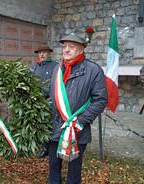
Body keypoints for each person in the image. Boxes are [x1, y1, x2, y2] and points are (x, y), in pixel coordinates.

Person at [48, 32, 107, 184]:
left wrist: (79, 122)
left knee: (74, 170)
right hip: (55, 127)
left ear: (81, 50)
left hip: (78, 130)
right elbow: (50, 95)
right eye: (64, 46)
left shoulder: (94, 71)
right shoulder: (57, 69)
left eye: (71, 47)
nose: (66, 50)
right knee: (54, 166)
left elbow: (100, 100)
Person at [31, 45, 58, 158]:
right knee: (40, 123)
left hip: (50, 101)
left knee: (50, 124)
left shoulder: (55, 66)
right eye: (39, 52)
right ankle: (42, 145)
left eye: (44, 52)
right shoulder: (35, 67)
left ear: (49, 53)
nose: (41, 54)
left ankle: (48, 147)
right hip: (37, 101)